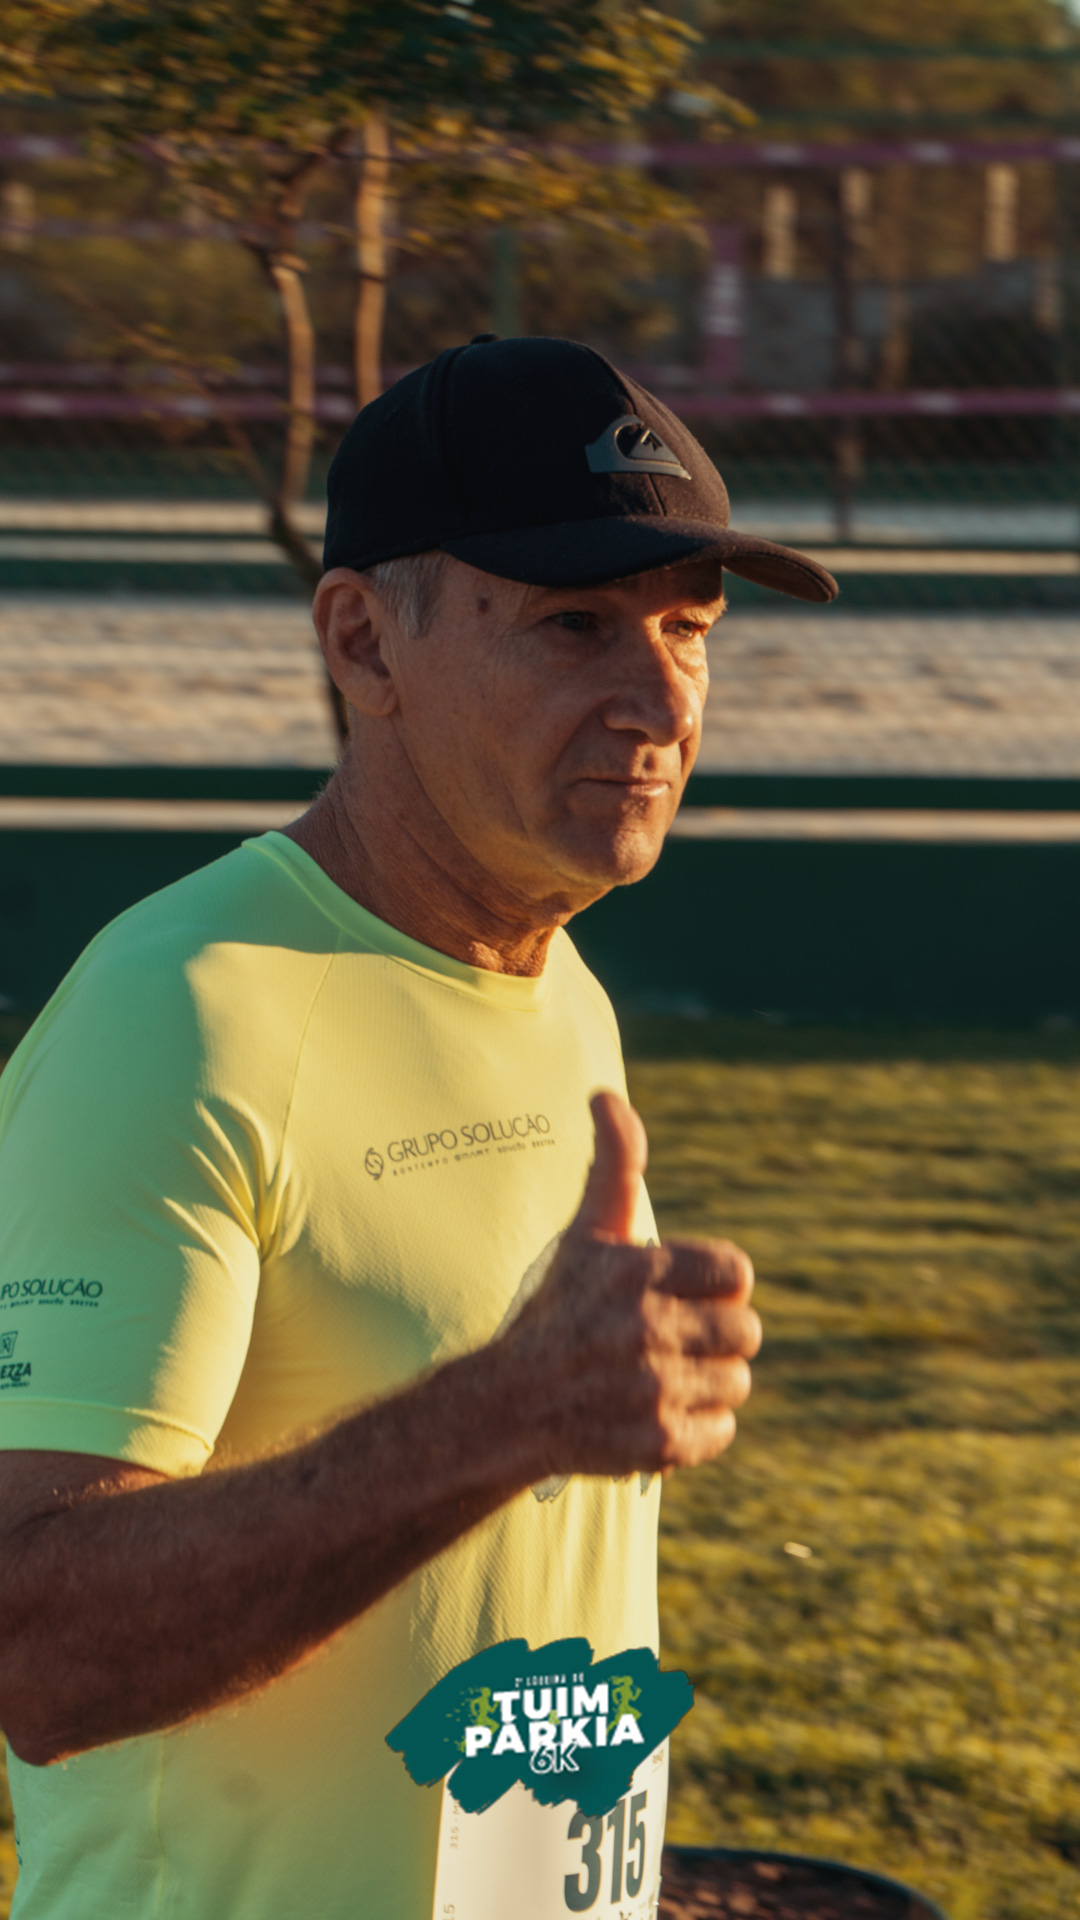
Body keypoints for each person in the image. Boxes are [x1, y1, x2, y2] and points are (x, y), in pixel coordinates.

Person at [0, 334, 837, 1920]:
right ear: (362, 642)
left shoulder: (558, 982)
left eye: (689, 628)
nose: (662, 698)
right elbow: (34, 1651)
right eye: (575, 624)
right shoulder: (179, 1014)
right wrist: (499, 1416)